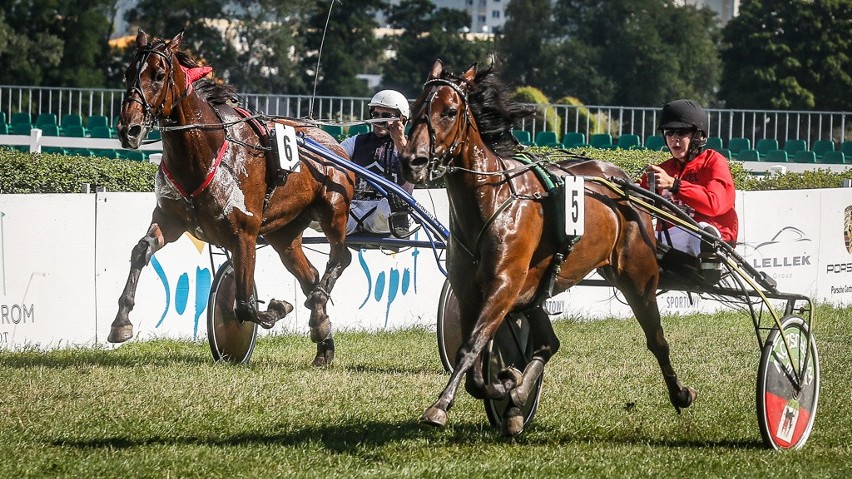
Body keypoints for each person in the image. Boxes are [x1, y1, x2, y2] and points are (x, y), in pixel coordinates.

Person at [641, 99, 739, 258]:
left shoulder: (714, 162)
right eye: (669, 133)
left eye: (681, 132)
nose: (674, 139)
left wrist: (675, 185)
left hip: (712, 239)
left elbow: (714, 205)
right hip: (671, 240)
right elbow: (638, 203)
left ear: (698, 135)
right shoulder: (663, 169)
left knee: (701, 231)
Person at [339, 89, 414, 238]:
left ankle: (399, 223)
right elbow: (332, 157)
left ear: (402, 119)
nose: (379, 120)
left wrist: (399, 142)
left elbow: (413, 174)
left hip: (384, 215)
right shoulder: (355, 142)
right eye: (376, 115)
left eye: (385, 116)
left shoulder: (411, 148)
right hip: (353, 211)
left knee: (392, 202)